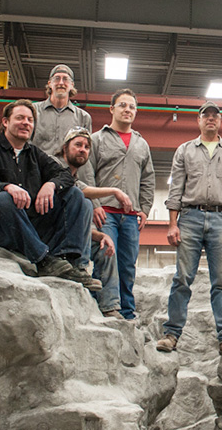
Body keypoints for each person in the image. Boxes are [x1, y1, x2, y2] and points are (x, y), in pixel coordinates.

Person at [0, 100, 99, 291]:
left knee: (76, 196)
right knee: (5, 199)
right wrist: (5, 187)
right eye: (20, 118)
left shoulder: (34, 154)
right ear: (6, 122)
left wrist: (51, 184)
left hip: (21, 224)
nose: (26, 123)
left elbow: (65, 175)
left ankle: (67, 261)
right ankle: (43, 261)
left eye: (30, 120)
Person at [155, 101, 222, 362]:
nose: (210, 119)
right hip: (190, 218)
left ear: (220, 121)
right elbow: (175, 191)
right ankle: (172, 334)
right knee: (182, 278)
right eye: (205, 115)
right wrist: (172, 224)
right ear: (198, 121)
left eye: (215, 116)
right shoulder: (185, 150)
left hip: (221, 219)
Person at [80, 89, 155, 320]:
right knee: (107, 258)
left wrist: (143, 209)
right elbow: (86, 173)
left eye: (132, 106)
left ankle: (127, 311)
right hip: (105, 212)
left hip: (130, 216)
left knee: (128, 264)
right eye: (122, 105)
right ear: (112, 109)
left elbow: (148, 179)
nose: (127, 110)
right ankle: (108, 308)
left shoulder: (142, 144)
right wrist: (95, 205)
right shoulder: (96, 139)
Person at [58, 127, 128, 319]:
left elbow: (78, 227)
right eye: (78, 145)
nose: (83, 150)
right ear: (65, 149)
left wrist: (102, 235)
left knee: (105, 247)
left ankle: (109, 306)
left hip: (69, 238)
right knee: (85, 202)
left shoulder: (74, 177)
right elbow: (81, 191)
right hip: (52, 240)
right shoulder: (55, 168)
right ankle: (79, 270)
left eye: (87, 147)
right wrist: (115, 191)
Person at [32, 64, 93, 159]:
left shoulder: (83, 118)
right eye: (57, 78)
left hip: (66, 172)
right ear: (49, 83)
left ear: (71, 85)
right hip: (37, 170)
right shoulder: (33, 111)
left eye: (65, 79)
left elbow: (85, 152)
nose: (61, 83)